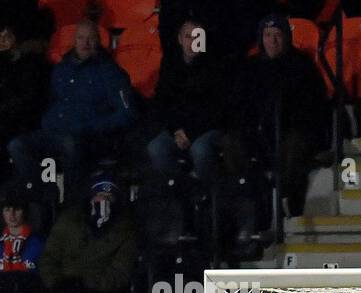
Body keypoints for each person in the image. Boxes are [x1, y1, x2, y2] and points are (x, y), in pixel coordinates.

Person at [7, 19, 137, 192]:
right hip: (53, 132)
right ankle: (42, 194)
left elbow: (126, 114)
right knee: (17, 145)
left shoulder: (111, 73)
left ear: (98, 41)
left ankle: (73, 201)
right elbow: (51, 101)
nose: (85, 43)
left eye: (90, 38)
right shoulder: (61, 69)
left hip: (87, 138)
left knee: (70, 145)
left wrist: (90, 127)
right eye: (81, 38)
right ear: (74, 41)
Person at [239, 13, 329, 217]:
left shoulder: (302, 66)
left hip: (294, 129)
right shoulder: (251, 68)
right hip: (260, 130)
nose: (272, 41)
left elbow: (313, 107)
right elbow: (242, 105)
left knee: (293, 147)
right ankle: (257, 206)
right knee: (233, 144)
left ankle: (287, 201)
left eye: (277, 35)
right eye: (267, 35)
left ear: (287, 37)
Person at [38, 171, 136, 293]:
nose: (102, 202)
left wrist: (86, 284)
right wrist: (56, 283)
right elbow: (48, 258)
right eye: (99, 196)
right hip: (61, 288)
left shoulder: (125, 230)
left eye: (108, 198)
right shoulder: (69, 220)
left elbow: (120, 273)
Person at [146, 19, 236, 185]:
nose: (193, 41)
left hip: (207, 128)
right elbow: (163, 102)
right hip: (177, 130)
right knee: (156, 148)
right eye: (188, 37)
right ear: (180, 39)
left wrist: (190, 132)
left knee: (200, 150)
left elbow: (218, 108)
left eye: (197, 37)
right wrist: (176, 130)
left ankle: (208, 195)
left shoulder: (217, 65)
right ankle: (181, 190)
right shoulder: (170, 64)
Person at [0, 14, 49, 168]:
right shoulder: (4, 63)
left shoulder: (32, 63)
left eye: (6, 36)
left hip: (23, 122)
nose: (2, 42)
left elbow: (29, 99)